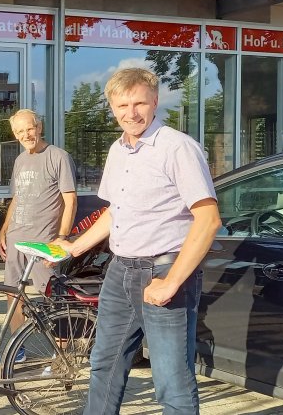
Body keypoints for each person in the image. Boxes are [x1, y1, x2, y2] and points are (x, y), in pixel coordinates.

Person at [58, 68, 221, 414]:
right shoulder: (118, 150)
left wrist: (171, 281)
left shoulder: (177, 148)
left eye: (139, 103)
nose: (131, 113)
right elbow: (116, 210)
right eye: (122, 105)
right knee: (105, 365)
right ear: (112, 107)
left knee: (171, 381)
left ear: (155, 101)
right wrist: (73, 246)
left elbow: (208, 221)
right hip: (120, 272)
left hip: (163, 270)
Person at [0, 109, 77, 361]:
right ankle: (17, 349)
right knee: (13, 292)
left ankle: (62, 354)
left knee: (52, 294)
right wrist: (4, 230)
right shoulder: (20, 160)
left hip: (44, 241)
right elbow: (17, 198)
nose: (26, 135)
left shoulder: (58, 157)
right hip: (16, 238)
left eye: (29, 129)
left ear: (39, 127)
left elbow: (70, 200)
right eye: (20, 131)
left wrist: (62, 237)